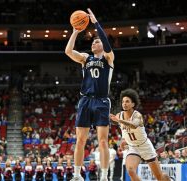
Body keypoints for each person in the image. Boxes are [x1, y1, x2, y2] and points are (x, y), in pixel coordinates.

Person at [65, 8, 114, 181]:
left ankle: (104, 176)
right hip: (85, 100)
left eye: (97, 42)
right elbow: (68, 52)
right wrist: (74, 33)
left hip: (101, 101)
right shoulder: (86, 58)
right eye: (93, 42)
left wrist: (95, 23)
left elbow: (107, 45)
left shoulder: (108, 58)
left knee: (102, 141)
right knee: (80, 141)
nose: (94, 43)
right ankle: (77, 175)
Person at [110, 89, 170, 181]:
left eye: (127, 101)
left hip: (145, 146)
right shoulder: (119, 115)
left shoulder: (137, 115)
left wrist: (119, 121)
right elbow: (123, 130)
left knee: (160, 177)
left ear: (133, 104)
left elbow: (133, 125)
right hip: (133, 147)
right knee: (130, 170)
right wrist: (123, 140)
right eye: (123, 102)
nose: (124, 104)